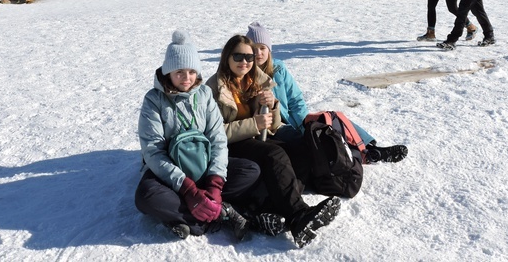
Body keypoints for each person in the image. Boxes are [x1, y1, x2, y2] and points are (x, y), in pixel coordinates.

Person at [205, 35, 341, 248]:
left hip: (256, 138)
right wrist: (254, 124)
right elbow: (214, 133)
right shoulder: (214, 88)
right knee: (274, 155)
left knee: (300, 153)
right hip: (229, 145)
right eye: (238, 56)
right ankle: (298, 215)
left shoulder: (256, 81)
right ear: (226, 58)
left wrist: (273, 105)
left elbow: (274, 126)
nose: (245, 62)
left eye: (249, 57)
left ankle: (270, 208)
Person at [135, 30, 258, 240]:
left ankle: (189, 216)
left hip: (203, 165)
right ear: (168, 72)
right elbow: (153, 152)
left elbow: (218, 139)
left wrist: (215, 183)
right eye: (179, 72)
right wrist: (187, 190)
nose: (186, 78)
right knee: (145, 197)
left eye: (192, 71)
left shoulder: (204, 94)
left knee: (250, 170)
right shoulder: (154, 100)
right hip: (170, 173)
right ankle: (220, 212)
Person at [246, 22, 408, 164]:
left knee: (330, 118)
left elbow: (296, 100)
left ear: (269, 50)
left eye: (263, 48)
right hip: (276, 128)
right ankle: (354, 156)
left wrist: (304, 122)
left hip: (294, 120)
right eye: (255, 49)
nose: (259, 53)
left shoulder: (278, 68)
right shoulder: (245, 74)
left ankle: (370, 147)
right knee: (319, 137)